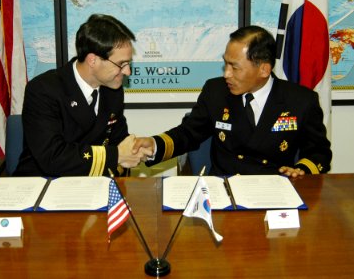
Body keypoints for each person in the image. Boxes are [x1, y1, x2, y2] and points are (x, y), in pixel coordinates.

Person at [134, 25, 332, 177]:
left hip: (273, 192)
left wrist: (302, 170)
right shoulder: (216, 91)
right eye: (225, 63)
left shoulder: (301, 100)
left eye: (234, 67)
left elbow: (319, 152)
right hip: (224, 191)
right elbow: (188, 134)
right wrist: (154, 145)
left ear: (263, 69)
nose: (226, 74)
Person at [14, 14, 150, 177]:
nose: (127, 72)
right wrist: (117, 156)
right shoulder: (43, 90)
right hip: (42, 185)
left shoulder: (112, 90)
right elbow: (52, 157)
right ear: (93, 60)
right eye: (121, 64)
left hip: (92, 185)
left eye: (128, 64)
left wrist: (136, 148)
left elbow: (117, 139)